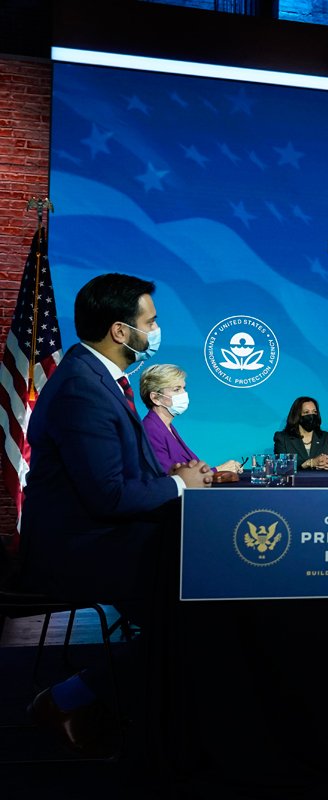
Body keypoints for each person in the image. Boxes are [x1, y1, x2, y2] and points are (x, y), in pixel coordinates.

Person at [19, 272, 212, 756]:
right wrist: (176, 485)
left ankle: (155, 710)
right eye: (151, 321)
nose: (156, 329)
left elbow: (125, 478)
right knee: (199, 604)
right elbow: (106, 497)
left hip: (108, 536)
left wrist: (179, 477)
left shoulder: (102, 380)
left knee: (203, 588)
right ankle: (67, 700)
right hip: (82, 546)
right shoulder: (84, 387)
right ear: (121, 331)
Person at [139, 363, 242, 475]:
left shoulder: (167, 427)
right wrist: (218, 470)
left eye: (184, 388)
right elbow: (168, 476)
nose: (184, 394)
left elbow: (191, 469)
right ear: (155, 398)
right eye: (176, 389)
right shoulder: (150, 430)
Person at [274, 396, 328, 470]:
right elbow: (281, 467)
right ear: (297, 416)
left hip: (321, 481)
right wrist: (310, 463)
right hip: (296, 481)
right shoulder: (282, 438)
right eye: (306, 412)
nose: (311, 416)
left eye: (314, 412)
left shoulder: (327, 437)